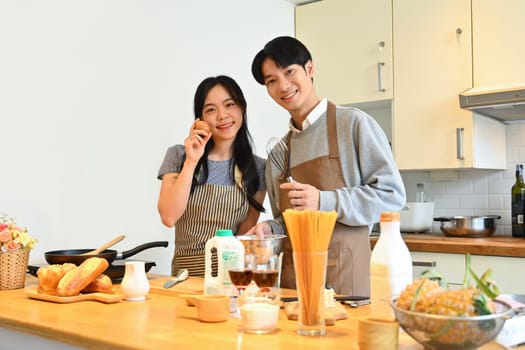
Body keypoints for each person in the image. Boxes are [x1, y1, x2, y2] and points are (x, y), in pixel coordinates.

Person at [247, 36, 406, 296]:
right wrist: (270, 229)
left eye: (289, 72)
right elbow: (288, 223)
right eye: (271, 81)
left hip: (347, 282)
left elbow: (392, 197)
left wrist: (324, 200)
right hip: (294, 285)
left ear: (309, 69)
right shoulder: (279, 154)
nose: (283, 86)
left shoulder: (354, 125)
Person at [157, 75, 266, 277]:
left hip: (229, 275)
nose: (222, 115)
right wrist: (192, 160)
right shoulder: (179, 156)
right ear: (200, 119)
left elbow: (245, 235)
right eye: (211, 110)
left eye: (229, 105)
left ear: (242, 108)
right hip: (185, 277)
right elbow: (168, 216)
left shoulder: (258, 167)